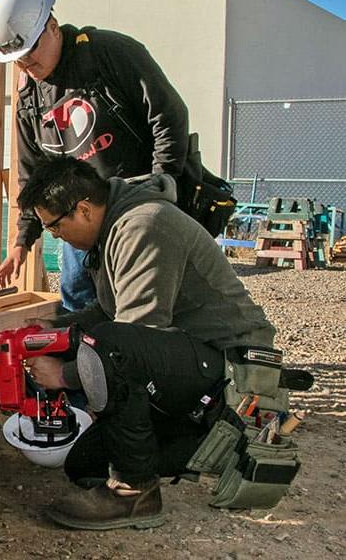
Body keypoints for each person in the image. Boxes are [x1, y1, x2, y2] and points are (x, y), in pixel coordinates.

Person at [17, 157, 275, 530]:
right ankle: (203, 449)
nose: (56, 237)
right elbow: (107, 312)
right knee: (83, 464)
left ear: (84, 210)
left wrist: (64, 375)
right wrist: (52, 327)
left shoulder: (144, 225)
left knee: (113, 349)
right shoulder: (114, 227)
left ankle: (134, 492)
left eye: (55, 227)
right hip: (190, 362)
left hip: (234, 373)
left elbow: (131, 337)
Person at [0, 0, 198, 311]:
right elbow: (33, 175)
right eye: (17, 60)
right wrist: (22, 241)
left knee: (149, 299)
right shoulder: (30, 99)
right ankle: (82, 361)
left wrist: (162, 183)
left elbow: (168, 114)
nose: (26, 65)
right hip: (79, 217)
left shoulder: (108, 53)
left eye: (30, 53)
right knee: (81, 303)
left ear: (52, 27)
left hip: (138, 204)